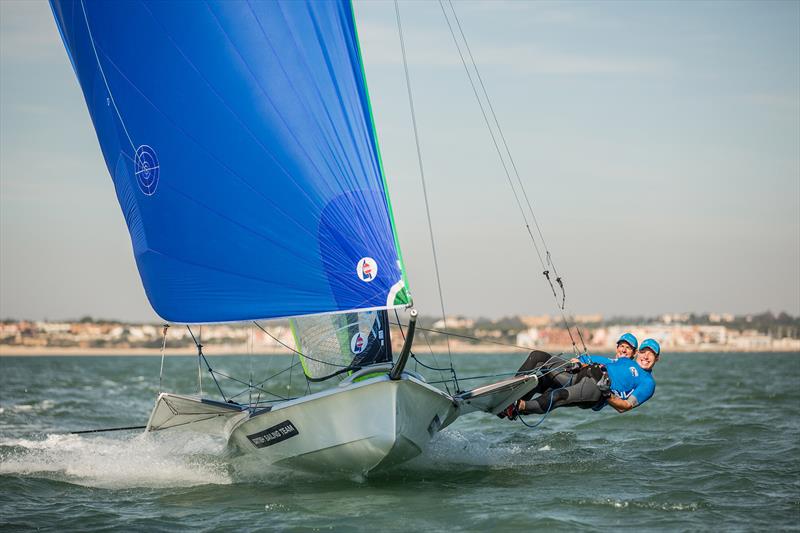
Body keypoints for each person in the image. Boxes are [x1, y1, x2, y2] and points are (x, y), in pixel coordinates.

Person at [501, 338, 660, 418]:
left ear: (656, 359)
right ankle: (510, 395)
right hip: (585, 374)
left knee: (557, 395)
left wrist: (607, 393)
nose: (646, 356)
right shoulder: (619, 361)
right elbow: (584, 362)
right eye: (644, 351)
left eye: (651, 354)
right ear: (637, 353)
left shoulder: (647, 383)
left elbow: (624, 406)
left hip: (596, 391)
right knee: (538, 358)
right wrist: (576, 364)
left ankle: (518, 407)